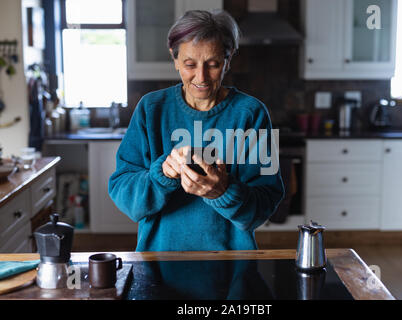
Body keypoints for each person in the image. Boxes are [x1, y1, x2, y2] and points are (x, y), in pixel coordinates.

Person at [108, 10, 285, 252]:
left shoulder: (252, 113)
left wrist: (223, 191)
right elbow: (123, 194)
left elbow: (265, 205)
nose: (201, 77)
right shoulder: (151, 109)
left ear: (228, 58)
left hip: (231, 265)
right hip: (159, 262)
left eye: (213, 64)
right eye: (190, 64)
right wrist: (161, 175)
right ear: (174, 58)